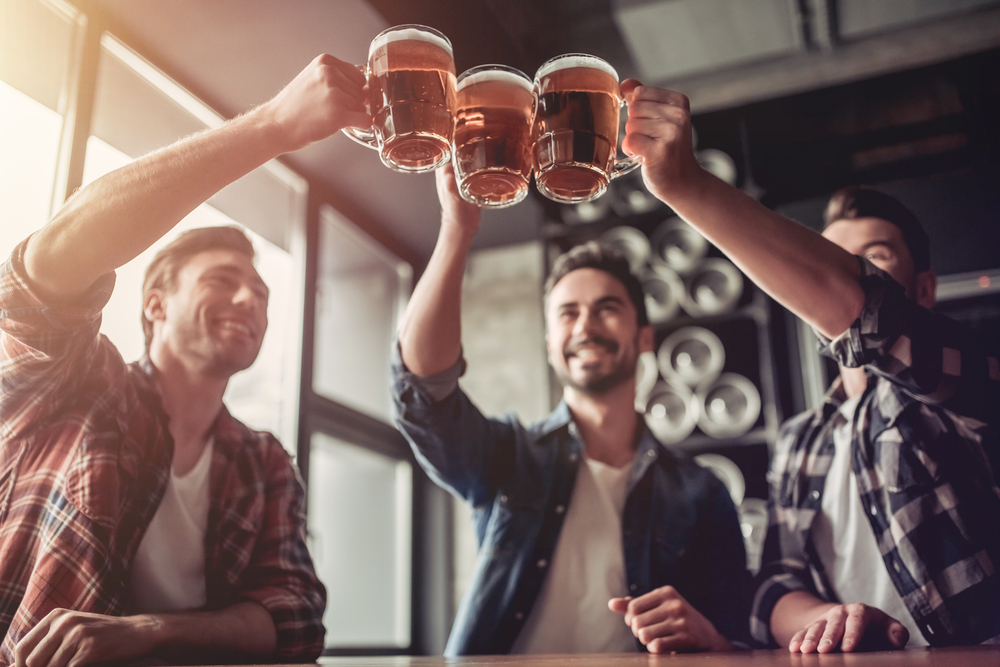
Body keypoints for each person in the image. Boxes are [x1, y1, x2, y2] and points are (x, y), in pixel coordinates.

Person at [0, 54, 372, 665]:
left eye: (261, 291)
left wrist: (152, 631)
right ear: (154, 305)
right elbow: (50, 265)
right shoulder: (77, 384)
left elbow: (297, 616)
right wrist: (276, 123)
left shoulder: (264, 461)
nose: (250, 297)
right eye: (223, 280)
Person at [616, 81, 999, 652]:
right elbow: (774, 586)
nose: (845, 270)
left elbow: (867, 314)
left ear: (921, 289)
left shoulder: (970, 377)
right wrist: (831, 619)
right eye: (830, 254)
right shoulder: (800, 440)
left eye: (871, 258)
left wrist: (686, 186)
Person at [392, 165, 751, 655]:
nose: (586, 326)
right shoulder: (507, 457)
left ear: (645, 336)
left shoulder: (702, 493)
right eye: (568, 313)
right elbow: (423, 390)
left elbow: (737, 642)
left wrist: (708, 638)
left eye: (606, 308)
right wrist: (457, 228)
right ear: (549, 344)